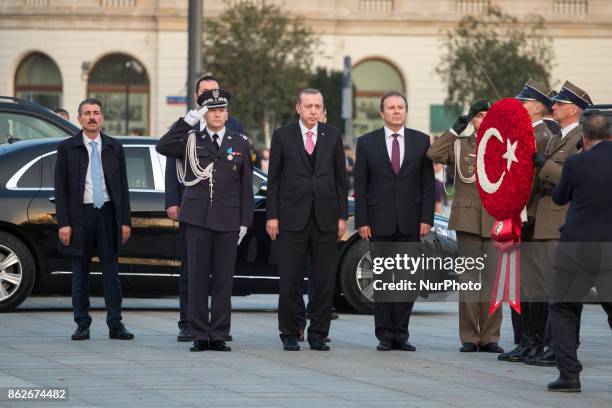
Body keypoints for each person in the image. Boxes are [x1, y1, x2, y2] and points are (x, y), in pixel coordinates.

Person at [157, 89, 253, 352]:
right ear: (204, 114)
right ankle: (199, 333)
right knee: (197, 278)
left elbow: (246, 186)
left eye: (221, 110)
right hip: (197, 218)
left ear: (227, 113)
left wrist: (244, 221)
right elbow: (162, 146)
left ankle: (219, 333)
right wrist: (187, 120)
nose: (217, 114)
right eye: (211, 110)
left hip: (228, 219)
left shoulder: (240, 142)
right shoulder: (190, 138)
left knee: (223, 279)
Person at [266, 88, 348, 352]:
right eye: (309, 106)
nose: (314, 111)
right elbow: (274, 180)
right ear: (298, 108)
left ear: (323, 110)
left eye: (318, 107)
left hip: (325, 218)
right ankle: (290, 332)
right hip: (291, 218)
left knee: (323, 280)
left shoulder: (333, 135)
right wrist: (272, 215)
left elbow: (340, 180)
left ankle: (318, 334)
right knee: (289, 279)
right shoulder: (282, 136)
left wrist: (342, 216)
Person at [354, 91, 434, 352]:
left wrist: (426, 218)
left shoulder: (422, 141)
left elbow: (427, 184)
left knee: (407, 280)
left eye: (401, 107)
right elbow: (361, 185)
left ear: (406, 111)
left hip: (412, 222)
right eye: (391, 108)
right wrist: (363, 220)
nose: (396, 111)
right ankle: (385, 335)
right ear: (382, 113)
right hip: (379, 222)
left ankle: (401, 333)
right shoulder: (367, 143)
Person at [54, 98, 133, 341]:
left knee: (112, 273)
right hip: (80, 216)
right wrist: (64, 223)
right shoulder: (68, 148)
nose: (92, 117)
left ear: (102, 118)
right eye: (87, 113)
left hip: (108, 214)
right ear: (79, 118)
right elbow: (61, 188)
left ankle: (115, 324)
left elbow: (123, 187)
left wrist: (125, 221)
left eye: (96, 113)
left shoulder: (114, 147)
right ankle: (82, 324)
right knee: (80, 272)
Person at [427, 100, 503, 354]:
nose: (484, 120)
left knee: (492, 282)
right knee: (469, 280)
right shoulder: (460, 145)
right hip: (468, 221)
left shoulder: (504, 146)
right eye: (479, 116)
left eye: (488, 115)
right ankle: (470, 336)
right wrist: (453, 130)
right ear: (472, 120)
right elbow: (434, 154)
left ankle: (490, 337)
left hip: (495, 221)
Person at [547, 112, 612, 392]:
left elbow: (560, 197)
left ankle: (569, 376)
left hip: (577, 250)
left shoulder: (576, 162)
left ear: (584, 137)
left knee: (564, 308)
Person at [530, 81, 592, 367]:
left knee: (561, 290)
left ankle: (561, 346)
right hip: (545, 218)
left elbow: (572, 173)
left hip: (561, 219)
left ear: (573, 109)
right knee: (548, 288)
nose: (552, 106)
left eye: (558, 103)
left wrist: (544, 164)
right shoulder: (558, 137)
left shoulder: (580, 137)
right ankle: (549, 344)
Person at [498, 80, 556, 364]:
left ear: (536, 107)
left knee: (534, 284)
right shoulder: (525, 133)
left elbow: (534, 179)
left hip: (532, 216)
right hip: (520, 215)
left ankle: (534, 340)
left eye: (524, 102)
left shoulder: (542, 135)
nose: (519, 106)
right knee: (521, 284)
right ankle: (525, 340)